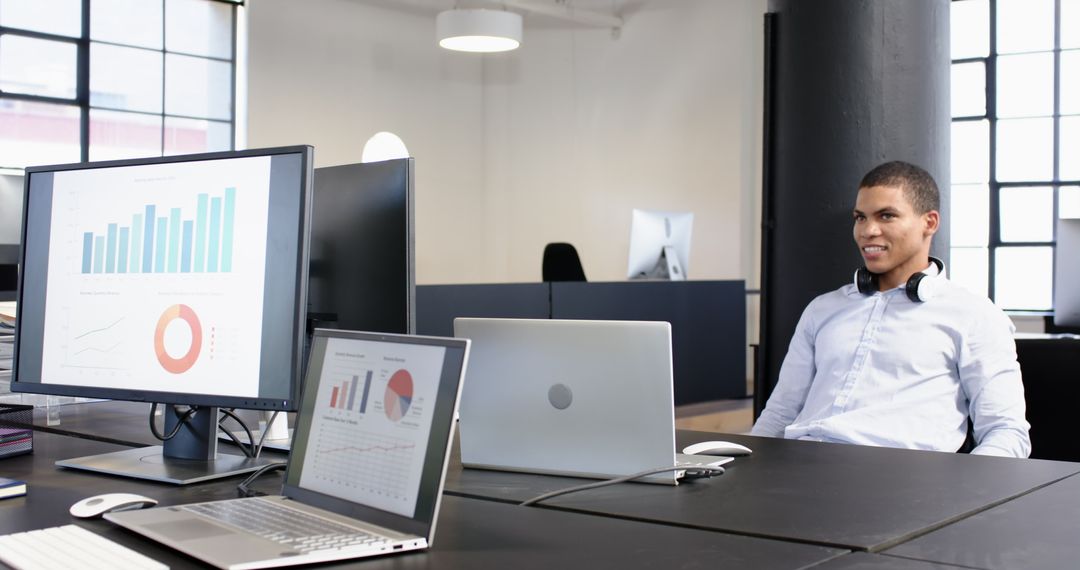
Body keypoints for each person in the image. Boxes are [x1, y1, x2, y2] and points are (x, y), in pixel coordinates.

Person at [751, 161, 1030, 458]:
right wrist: (742, 466)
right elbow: (780, 413)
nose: (868, 231)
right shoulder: (822, 309)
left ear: (929, 223)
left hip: (900, 474)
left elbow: (1007, 432)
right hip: (800, 464)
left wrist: (965, 483)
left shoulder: (974, 315)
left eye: (887, 216)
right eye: (860, 218)